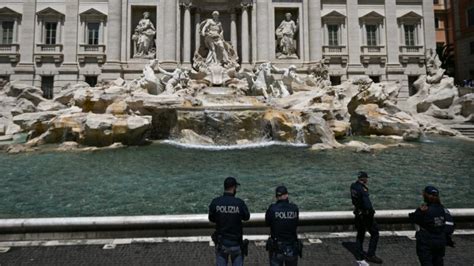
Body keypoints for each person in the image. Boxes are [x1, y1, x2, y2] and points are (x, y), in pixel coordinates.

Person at [209, 177, 251, 266]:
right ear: (234, 187)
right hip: (236, 243)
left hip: (221, 243)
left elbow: (211, 218)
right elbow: (246, 217)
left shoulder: (216, 202)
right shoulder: (239, 203)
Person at [409, 186, 455, 266]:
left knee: (426, 262)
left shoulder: (424, 210)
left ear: (424, 195)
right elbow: (450, 225)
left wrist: (420, 211)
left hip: (426, 242)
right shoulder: (443, 209)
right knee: (438, 262)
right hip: (440, 241)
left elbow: (413, 218)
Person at [350, 171, 383, 264]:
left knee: (360, 234)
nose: (367, 179)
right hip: (365, 215)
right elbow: (367, 204)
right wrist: (371, 213)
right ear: (363, 178)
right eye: (366, 178)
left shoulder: (353, 186)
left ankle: (359, 254)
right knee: (375, 233)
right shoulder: (362, 189)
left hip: (357, 213)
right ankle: (371, 255)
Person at [265, 186, 301, 266]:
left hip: (277, 247)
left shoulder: (272, 209)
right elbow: (296, 223)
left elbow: (267, 223)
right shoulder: (294, 208)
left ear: (277, 197)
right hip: (291, 245)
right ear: (287, 195)